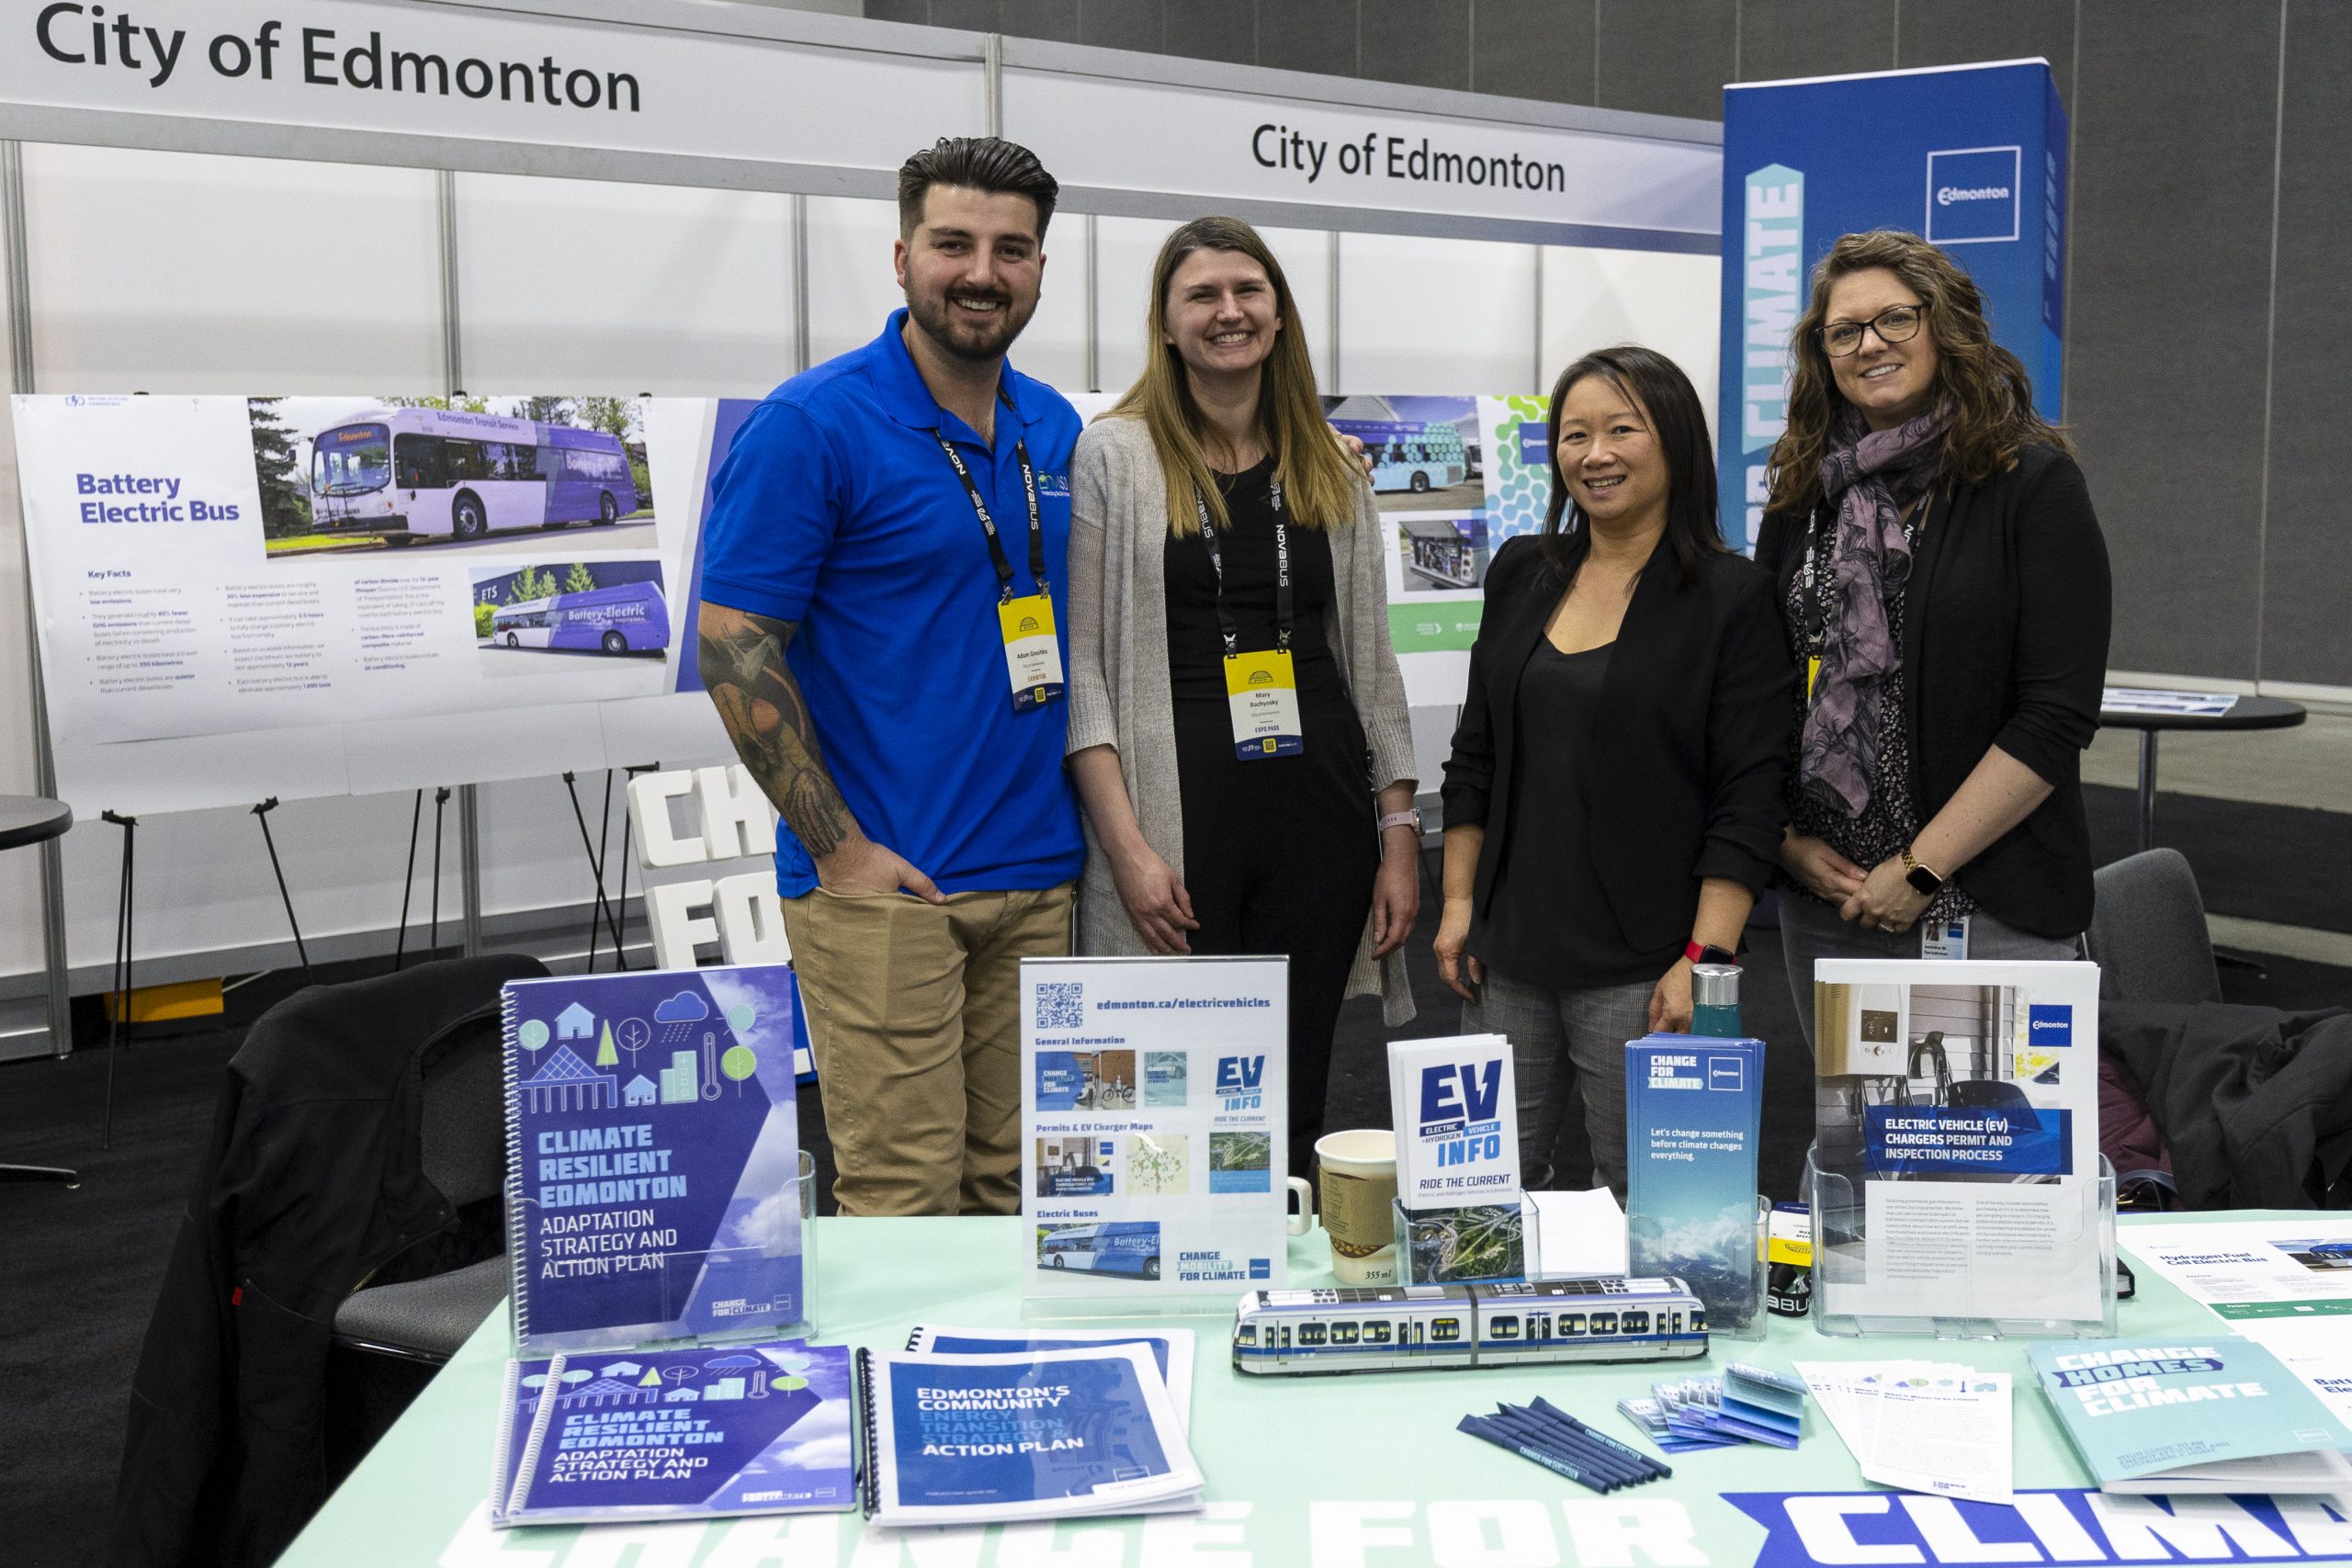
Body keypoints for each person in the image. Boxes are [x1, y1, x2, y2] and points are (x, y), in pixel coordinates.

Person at [695, 137, 1081, 1217]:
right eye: (953, 244)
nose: (981, 273)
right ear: (902, 255)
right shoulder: (812, 425)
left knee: (1027, 1195)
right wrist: (841, 852)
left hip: (1039, 875)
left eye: (1011, 250)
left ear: (1039, 269)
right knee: (903, 1196)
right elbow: (732, 643)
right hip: (887, 887)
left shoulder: (1053, 425)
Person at [1066, 216, 1419, 1174]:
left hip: (1320, 820)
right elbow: (1084, 670)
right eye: (1202, 295)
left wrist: (1398, 835)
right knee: (1167, 1097)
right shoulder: (1116, 457)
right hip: (1177, 829)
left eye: (1247, 290)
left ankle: (1282, 1252)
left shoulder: (1332, 466)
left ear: (1278, 312)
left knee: (1293, 1090)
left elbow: (1372, 665)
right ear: (1166, 324)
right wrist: (1127, 851)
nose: (1229, 312)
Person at [1434, 345, 1790, 1197]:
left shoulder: (1733, 597)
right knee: (1478, 1199)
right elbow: (1476, 749)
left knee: (1654, 1205)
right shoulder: (1523, 569)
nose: (1595, 454)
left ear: (1675, 441)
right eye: (1575, 434)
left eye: (1622, 429)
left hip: (1647, 968)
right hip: (1507, 957)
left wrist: (1704, 959)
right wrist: (1457, 904)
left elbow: (1750, 798)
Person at [1757, 230, 2110, 1047]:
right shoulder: (1805, 494)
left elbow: (2055, 713)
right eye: (1844, 331)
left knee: (1993, 1129)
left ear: (1943, 324)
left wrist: (1920, 867)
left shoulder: (2032, 483)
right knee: (1858, 1132)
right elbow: (1758, 687)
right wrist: (1786, 843)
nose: (1870, 344)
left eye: (1895, 319)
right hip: (1829, 903)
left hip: (1987, 903)